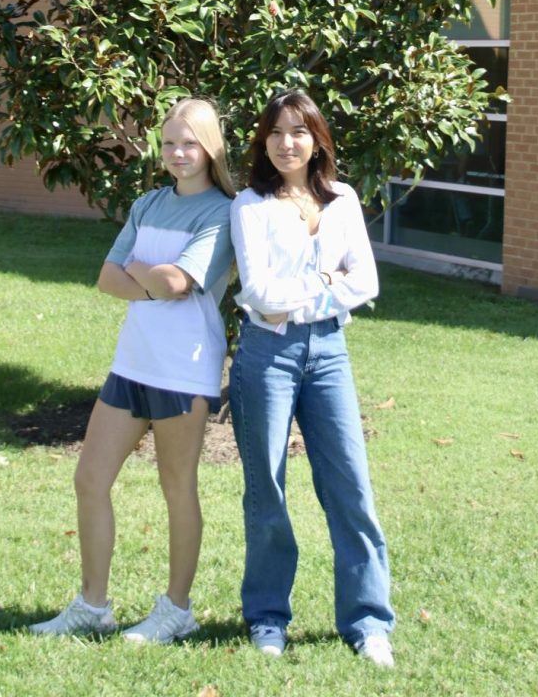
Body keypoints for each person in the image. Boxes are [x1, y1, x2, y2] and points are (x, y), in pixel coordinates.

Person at [29, 98, 234, 644]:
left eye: (189, 143)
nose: (177, 153)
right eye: (168, 143)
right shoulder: (146, 203)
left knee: (177, 488)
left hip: (184, 371)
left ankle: (176, 610)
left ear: (210, 147)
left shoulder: (222, 212)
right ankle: (92, 606)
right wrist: (153, 277)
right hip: (132, 363)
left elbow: (176, 285)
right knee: (89, 478)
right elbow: (105, 278)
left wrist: (140, 272)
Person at [229, 89, 396, 667]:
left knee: (351, 487)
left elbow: (367, 282)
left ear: (317, 139)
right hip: (265, 355)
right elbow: (257, 292)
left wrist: (300, 294)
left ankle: (369, 622)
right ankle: (268, 618)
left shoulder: (344, 199)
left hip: (328, 353)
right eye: (275, 132)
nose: (285, 143)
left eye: (298, 131)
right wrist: (328, 282)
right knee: (267, 489)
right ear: (263, 141)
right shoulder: (249, 205)